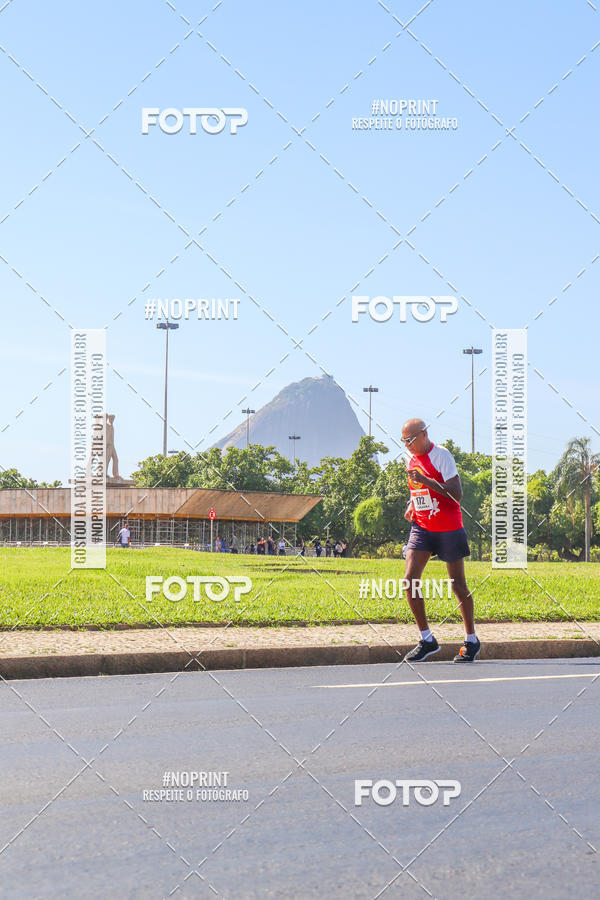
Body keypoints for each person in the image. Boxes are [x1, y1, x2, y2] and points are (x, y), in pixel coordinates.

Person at [401, 418, 480, 663]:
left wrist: (425, 480)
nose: (408, 445)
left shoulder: (442, 456)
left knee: (458, 585)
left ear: (424, 434)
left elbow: (457, 494)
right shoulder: (410, 459)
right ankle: (427, 639)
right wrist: (411, 504)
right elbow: (418, 492)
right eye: (404, 441)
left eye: (411, 440)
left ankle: (471, 640)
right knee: (409, 581)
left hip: (448, 528)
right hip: (422, 527)